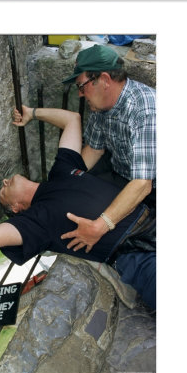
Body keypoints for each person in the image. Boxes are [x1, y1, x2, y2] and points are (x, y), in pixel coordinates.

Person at [0, 106, 156, 309]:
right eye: (2, 192)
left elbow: (72, 119)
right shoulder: (34, 221)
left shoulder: (61, 170)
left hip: (153, 218)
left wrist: (32, 113)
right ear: (15, 208)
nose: (4, 182)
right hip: (134, 255)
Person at [60, 44, 156, 255]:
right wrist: (65, 182)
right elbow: (94, 149)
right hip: (122, 175)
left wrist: (100, 226)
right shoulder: (101, 106)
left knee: (129, 242)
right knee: (76, 199)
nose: (80, 94)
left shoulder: (145, 109)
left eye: (82, 86)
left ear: (103, 79)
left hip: (153, 188)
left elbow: (143, 184)